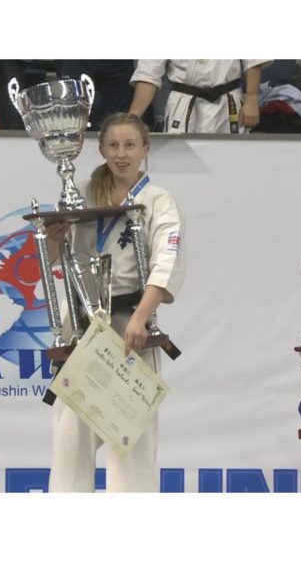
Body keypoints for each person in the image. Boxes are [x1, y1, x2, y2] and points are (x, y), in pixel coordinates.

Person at [46, 113, 187, 492]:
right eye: (113, 146)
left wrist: (142, 317)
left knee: (131, 438)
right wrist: (55, 237)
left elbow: (166, 263)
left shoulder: (159, 201)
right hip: (84, 326)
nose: (121, 154)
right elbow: (61, 257)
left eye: (129, 146)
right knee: (70, 438)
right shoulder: (83, 192)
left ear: (145, 149)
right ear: (101, 149)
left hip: (131, 325)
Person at [128, 60, 271, 134]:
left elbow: (252, 60)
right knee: (181, 164)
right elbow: (148, 74)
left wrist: (252, 98)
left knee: (233, 162)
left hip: (228, 103)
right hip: (183, 104)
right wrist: (133, 116)